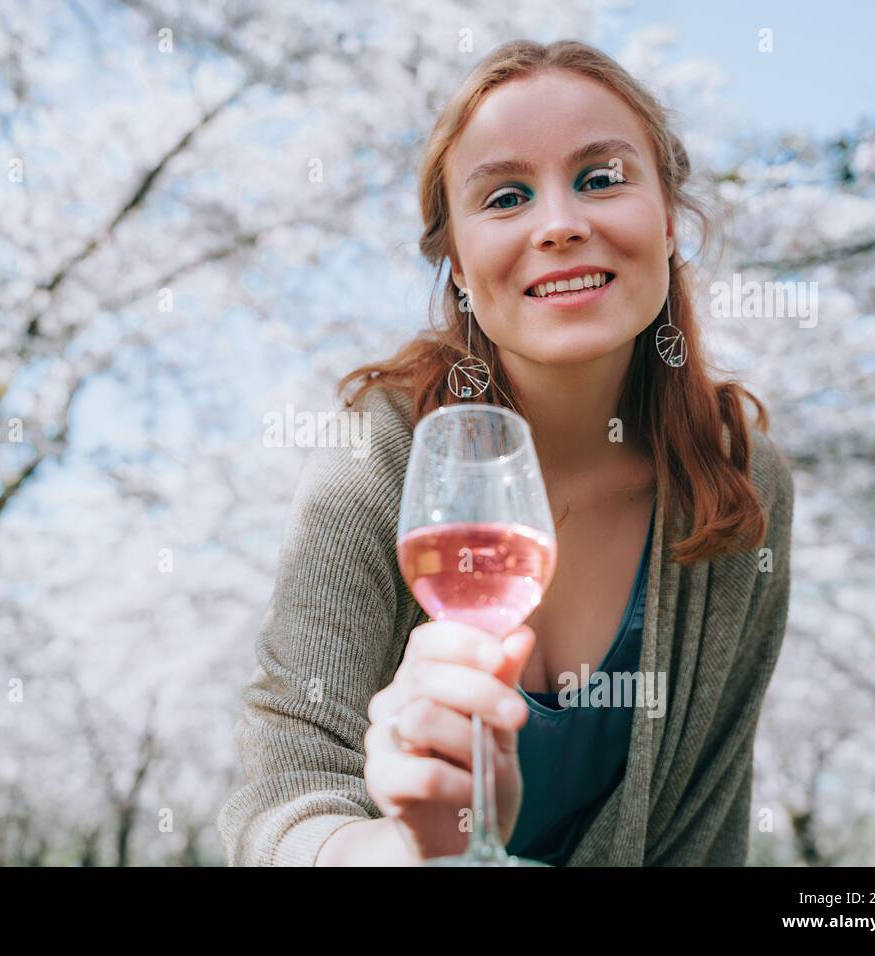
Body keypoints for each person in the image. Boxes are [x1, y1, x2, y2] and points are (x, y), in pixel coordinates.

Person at [218, 38, 794, 866]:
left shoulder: (744, 482)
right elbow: (278, 803)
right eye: (506, 196)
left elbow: (707, 825)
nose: (560, 225)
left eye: (601, 179)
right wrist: (409, 851)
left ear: (669, 220)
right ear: (456, 262)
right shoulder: (379, 455)